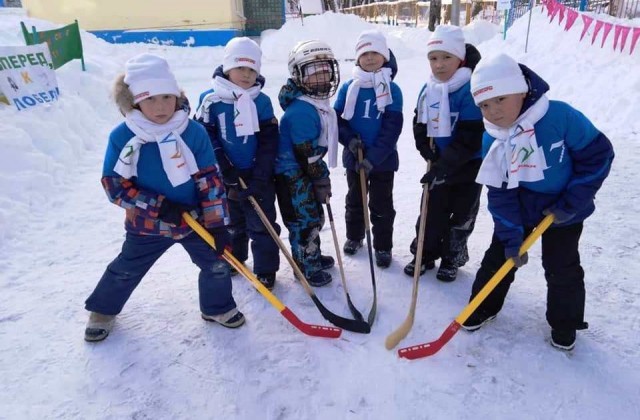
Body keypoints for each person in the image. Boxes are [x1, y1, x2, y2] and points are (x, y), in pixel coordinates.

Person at [84, 54, 244, 342]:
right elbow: (114, 185)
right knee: (127, 268)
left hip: (196, 220)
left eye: (167, 97)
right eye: (151, 99)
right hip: (147, 225)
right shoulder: (123, 136)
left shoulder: (192, 131)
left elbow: (210, 179)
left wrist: (217, 223)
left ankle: (217, 308)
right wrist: (158, 207)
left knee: (218, 264)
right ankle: (103, 310)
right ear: (134, 102)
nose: (161, 107)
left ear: (177, 96)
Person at [462, 54, 614, 351]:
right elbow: (500, 191)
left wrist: (571, 202)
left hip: (564, 209)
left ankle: (565, 322)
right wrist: (510, 236)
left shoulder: (559, 117)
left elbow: (599, 155)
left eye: (500, 99)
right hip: (520, 206)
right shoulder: (493, 138)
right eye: (484, 105)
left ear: (521, 90)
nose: (493, 111)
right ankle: (481, 306)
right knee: (500, 258)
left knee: (562, 266)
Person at [194, 37, 281, 290]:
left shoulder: (261, 101)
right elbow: (205, 136)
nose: (246, 74)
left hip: (257, 177)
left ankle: (266, 269)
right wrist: (225, 168)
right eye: (240, 67)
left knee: (262, 224)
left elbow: (268, 140)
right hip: (224, 176)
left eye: (252, 69)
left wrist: (260, 174)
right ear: (227, 67)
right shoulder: (210, 99)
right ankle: (236, 259)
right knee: (232, 223)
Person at [404, 25, 484, 282]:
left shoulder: (470, 89)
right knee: (430, 212)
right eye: (433, 58)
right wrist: (423, 146)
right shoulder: (429, 89)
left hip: (467, 166)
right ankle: (424, 254)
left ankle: (451, 258)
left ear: (460, 58)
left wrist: (445, 164)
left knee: (461, 216)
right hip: (438, 163)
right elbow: (419, 122)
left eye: (446, 57)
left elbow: (471, 137)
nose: (439, 65)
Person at [333, 30, 403, 268]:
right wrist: (350, 140)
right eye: (365, 53)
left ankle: (383, 246)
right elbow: (337, 120)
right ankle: (355, 236)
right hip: (355, 157)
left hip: (383, 161)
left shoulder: (392, 90)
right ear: (357, 57)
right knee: (355, 200)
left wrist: (373, 158)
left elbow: (392, 128)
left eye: (375, 53)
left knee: (381, 204)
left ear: (385, 56)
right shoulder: (348, 88)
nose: (370, 58)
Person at [274, 40, 339, 287]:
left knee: (313, 216)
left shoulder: (315, 103)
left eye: (325, 69)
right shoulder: (301, 110)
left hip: (302, 172)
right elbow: (307, 154)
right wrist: (321, 178)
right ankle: (305, 267)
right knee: (304, 221)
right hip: (292, 176)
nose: (321, 76)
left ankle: (312, 256)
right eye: (313, 71)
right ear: (298, 75)